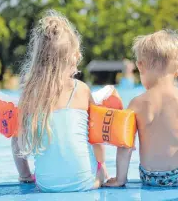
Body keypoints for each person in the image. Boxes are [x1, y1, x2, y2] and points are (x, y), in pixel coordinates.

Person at [11, 10, 108, 192]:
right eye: (76, 52)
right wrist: (103, 170)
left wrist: (26, 177)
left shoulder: (29, 95)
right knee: (100, 166)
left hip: (46, 185)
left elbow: (17, 141)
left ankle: (24, 176)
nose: (79, 56)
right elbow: (97, 139)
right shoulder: (81, 90)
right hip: (86, 183)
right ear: (70, 57)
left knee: (16, 134)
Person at [104, 29, 178, 187]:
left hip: (148, 177)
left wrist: (120, 179)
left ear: (140, 66)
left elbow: (124, 146)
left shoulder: (136, 103)